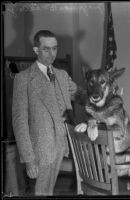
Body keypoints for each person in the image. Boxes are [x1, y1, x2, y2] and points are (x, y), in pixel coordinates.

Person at [12, 30, 86, 196]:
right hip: (42, 149)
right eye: (46, 49)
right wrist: (29, 160)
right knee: (42, 191)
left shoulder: (62, 74)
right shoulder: (23, 79)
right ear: (36, 50)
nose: (52, 53)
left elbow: (82, 97)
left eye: (55, 48)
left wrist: (98, 95)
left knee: (50, 190)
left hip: (65, 144)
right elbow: (20, 122)